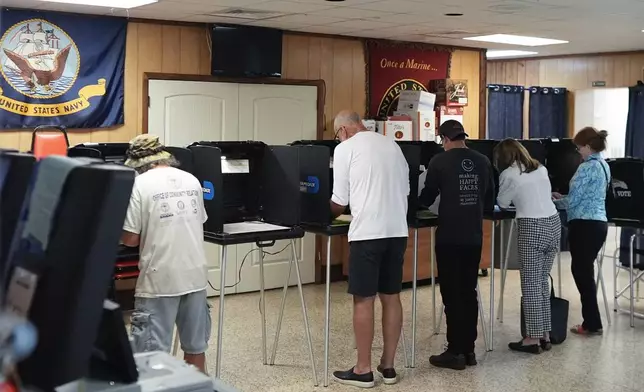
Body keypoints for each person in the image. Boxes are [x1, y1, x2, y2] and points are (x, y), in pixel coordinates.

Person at [330, 110, 409, 388]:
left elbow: (339, 201)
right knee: (391, 297)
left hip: (367, 234)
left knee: (363, 299)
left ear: (342, 131)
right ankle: (388, 367)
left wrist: (319, 209)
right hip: (397, 231)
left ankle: (363, 369)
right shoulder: (393, 144)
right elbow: (405, 190)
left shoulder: (345, 149)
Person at [120, 134, 211, 373]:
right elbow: (198, 221)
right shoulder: (191, 179)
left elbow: (130, 238)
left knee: (151, 357)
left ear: (138, 164)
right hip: (196, 276)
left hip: (159, 281)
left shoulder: (139, 184)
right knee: (195, 348)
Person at [419, 120, 494, 370]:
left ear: (443, 139)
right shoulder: (483, 161)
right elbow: (489, 200)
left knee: (451, 294)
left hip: (449, 237)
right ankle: (469, 350)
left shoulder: (439, 161)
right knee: (468, 292)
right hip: (473, 236)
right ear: (463, 136)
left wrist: (408, 205)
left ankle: (454, 352)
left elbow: (428, 197)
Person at [494, 139, 561, 354]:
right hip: (554, 223)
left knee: (531, 283)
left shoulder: (509, 175)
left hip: (532, 226)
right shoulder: (540, 168)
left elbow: (503, 204)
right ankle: (545, 334)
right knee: (542, 281)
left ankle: (532, 338)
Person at [552, 127, 610, 336]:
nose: (578, 152)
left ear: (587, 146)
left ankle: (592, 323)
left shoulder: (586, 168)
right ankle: (592, 321)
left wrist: (555, 201)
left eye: (579, 148)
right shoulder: (604, 166)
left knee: (582, 274)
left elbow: (574, 200)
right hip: (598, 223)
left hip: (584, 225)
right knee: (586, 273)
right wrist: (564, 198)